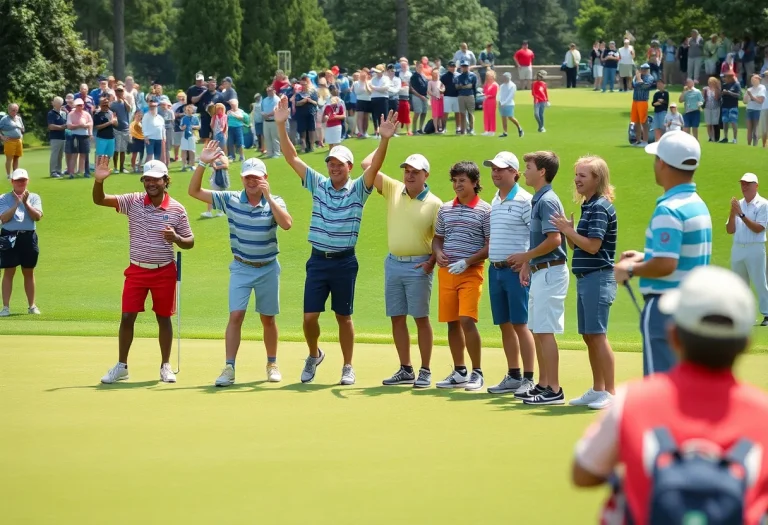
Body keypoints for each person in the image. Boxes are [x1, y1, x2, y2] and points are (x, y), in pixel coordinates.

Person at [572, 265, 768, 525]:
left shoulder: (633, 400)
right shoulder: (762, 412)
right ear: (746, 344)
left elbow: (583, 474)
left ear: (673, 336)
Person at [275, 96, 393, 386]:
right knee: (309, 318)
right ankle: (314, 354)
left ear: (350, 166)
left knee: (344, 317)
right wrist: (281, 124)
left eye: (339, 164)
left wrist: (384, 140)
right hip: (318, 260)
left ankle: (348, 366)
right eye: (330, 163)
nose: (333, 167)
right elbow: (292, 158)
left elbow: (375, 166)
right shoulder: (318, 183)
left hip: (344, 262)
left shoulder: (358, 189)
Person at [188, 144, 293, 386]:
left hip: (268, 267)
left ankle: (272, 363)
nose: (251, 181)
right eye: (247, 177)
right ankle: (229, 368)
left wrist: (268, 198)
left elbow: (286, 224)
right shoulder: (230, 199)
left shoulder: (275, 200)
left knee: (268, 319)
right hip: (241, 267)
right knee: (236, 315)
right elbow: (194, 191)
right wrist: (202, 163)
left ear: (265, 178)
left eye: (256, 177)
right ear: (242, 178)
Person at [614, 131, 711, 376]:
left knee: (661, 385)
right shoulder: (697, 204)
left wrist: (630, 269)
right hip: (692, 305)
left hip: (665, 307)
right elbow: (678, 256)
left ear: (664, 164)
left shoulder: (669, 210)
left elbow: (667, 264)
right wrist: (644, 256)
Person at [93, 157, 194, 384]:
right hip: (137, 270)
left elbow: (190, 241)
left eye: (156, 179)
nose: (151, 183)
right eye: (147, 179)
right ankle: (121, 366)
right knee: (127, 316)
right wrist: (99, 182)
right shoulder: (133, 201)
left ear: (165, 181)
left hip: (164, 271)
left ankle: (165, 366)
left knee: (163, 318)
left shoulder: (177, 209)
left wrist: (176, 238)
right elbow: (100, 200)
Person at [361, 152, 442, 388]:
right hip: (393, 263)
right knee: (396, 318)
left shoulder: (435, 203)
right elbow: (367, 165)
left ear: (425, 175)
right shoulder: (394, 188)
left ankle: (425, 369)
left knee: (420, 318)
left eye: (415, 172)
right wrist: (385, 140)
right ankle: (406, 368)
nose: (409, 175)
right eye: (406, 171)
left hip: (419, 265)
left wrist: (431, 263)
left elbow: (440, 238)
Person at [551, 156, 617, 410]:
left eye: (583, 175)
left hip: (598, 277)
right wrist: (570, 231)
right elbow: (579, 244)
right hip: (587, 277)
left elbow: (593, 246)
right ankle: (598, 388)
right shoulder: (589, 206)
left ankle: (609, 391)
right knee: (589, 335)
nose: (577, 180)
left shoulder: (599, 207)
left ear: (597, 180)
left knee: (597, 335)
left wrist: (568, 231)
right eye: (576, 174)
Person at [507, 151, 569, 405]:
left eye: (529, 166)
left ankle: (554, 389)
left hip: (551, 270)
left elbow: (555, 239)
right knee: (537, 329)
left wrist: (525, 256)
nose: (525, 171)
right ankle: (544, 384)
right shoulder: (539, 199)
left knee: (545, 331)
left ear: (542, 171)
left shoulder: (547, 201)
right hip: (541, 269)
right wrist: (529, 263)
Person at [432, 161, 491, 390]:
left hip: (471, 272)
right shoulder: (445, 208)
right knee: (452, 323)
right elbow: (438, 238)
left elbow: (490, 245)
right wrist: (437, 253)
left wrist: (467, 261)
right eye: (455, 180)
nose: (457, 185)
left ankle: (477, 372)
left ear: (475, 183)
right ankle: (460, 371)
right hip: (446, 272)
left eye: (462, 181)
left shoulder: (485, 210)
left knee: (467, 319)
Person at [483, 152, 536, 396]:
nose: (495, 172)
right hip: (496, 270)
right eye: (493, 168)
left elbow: (537, 236)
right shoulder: (495, 199)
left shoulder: (526, 200)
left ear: (515, 172)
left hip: (517, 272)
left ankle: (529, 377)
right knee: (504, 324)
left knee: (520, 324)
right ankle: (513, 375)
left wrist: (527, 261)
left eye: (501, 169)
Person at [0, 169, 43, 317]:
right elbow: (4, 218)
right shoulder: (4, 198)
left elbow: (37, 217)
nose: (21, 183)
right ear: (12, 182)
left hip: (28, 237)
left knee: (28, 271)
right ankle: (5, 307)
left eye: (23, 180)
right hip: (9, 236)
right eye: (18, 180)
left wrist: (26, 204)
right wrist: (17, 203)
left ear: (27, 181)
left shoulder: (35, 197)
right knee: (9, 271)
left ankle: (31, 306)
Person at [727, 173, 768, 326]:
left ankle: (767, 313)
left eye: (748, 184)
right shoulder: (738, 204)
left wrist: (741, 215)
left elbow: (759, 228)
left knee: (760, 281)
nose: (744, 186)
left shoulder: (763, 204)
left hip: (755, 248)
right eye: (742, 183)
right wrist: (732, 214)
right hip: (738, 247)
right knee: (739, 283)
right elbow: (730, 230)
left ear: (756, 186)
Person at [66, 98, 93, 178]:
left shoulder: (86, 114)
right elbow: (69, 126)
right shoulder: (71, 114)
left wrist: (90, 133)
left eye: (81, 105)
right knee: (74, 154)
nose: (79, 107)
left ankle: (86, 172)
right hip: (75, 135)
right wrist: (78, 125)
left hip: (85, 136)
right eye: (78, 105)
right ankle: (71, 173)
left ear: (83, 105)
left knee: (85, 154)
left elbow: (90, 123)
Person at [630, 64, 654, 146]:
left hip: (643, 101)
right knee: (636, 121)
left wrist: (639, 80)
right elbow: (633, 85)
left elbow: (645, 86)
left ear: (648, 69)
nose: (643, 71)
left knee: (644, 122)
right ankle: (638, 140)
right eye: (642, 69)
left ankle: (645, 141)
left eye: (645, 69)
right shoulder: (636, 77)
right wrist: (638, 81)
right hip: (635, 100)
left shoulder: (650, 77)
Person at [110, 85, 132, 174]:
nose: (119, 92)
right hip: (116, 129)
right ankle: (115, 167)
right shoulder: (113, 104)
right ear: (115, 92)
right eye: (118, 91)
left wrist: (124, 99)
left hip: (125, 128)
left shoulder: (125, 102)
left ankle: (122, 168)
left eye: (121, 91)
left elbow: (129, 109)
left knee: (123, 150)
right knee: (116, 149)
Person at [0, 104, 25, 178]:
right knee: (9, 158)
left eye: (16, 110)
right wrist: (2, 137)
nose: (14, 112)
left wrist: (21, 131)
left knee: (16, 157)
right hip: (10, 141)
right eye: (13, 110)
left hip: (18, 140)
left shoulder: (19, 118)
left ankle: (15, 174)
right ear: (9, 110)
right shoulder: (4, 119)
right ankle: (8, 175)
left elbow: (22, 128)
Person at [47, 97, 68, 178]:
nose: (59, 105)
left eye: (61, 103)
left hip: (63, 136)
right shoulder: (51, 113)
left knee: (60, 155)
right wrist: (61, 127)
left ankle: (58, 171)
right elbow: (51, 126)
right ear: (54, 104)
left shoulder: (63, 113)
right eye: (58, 103)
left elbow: (66, 122)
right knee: (55, 155)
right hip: (55, 137)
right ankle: (53, 171)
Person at [455, 60, 477, 135]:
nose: (465, 68)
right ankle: (463, 130)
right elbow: (457, 87)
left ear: (468, 67)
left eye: (466, 66)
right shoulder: (458, 76)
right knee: (462, 114)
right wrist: (464, 86)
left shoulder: (473, 75)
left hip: (470, 95)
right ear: (461, 67)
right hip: (461, 96)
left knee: (471, 113)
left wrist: (462, 86)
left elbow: (473, 87)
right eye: (463, 66)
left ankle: (471, 129)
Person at [498, 72, 523, 138]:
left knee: (510, 117)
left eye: (506, 77)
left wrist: (504, 102)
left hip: (509, 104)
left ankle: (519, 128)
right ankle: (505, 132)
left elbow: (511, 96)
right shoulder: (502, 86)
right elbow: (500, 94)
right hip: (502, 104)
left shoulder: (512, 85)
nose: (504, 79)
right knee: (503, 118)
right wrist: (500, 101)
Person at [93, 96, 117, 163]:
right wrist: (109, 122)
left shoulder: (111, 113)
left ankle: (105, 169)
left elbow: (116, 124)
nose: (105, 104)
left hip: (111, 137)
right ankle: (98, 169)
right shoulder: (97, 114)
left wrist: (115, 121)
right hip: (101, 138)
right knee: (99, 155)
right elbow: (97, 127)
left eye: (107, 103)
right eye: (103, 103)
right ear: (100, 104)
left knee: (108, 155)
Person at [720, 70, 741, 143]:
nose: (725, 78)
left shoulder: (736, 85)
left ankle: (735, 139)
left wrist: (729, 92)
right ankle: (725, 137)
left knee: (733, 122)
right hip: (725, 105)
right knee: (725, 122)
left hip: (733, 106)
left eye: (726, 77)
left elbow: (738, 95)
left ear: (731, 77)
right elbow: (721, 94)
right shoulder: (724, 85)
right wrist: (722, 93)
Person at [744, 74, 766, 147]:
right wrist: (749, 96)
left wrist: (751, 96)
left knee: (756, 128)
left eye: (754, 79)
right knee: (749, 129)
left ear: (758, 80)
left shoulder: (762, 88)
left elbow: (760, 101)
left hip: (758, 110)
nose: (753, 81)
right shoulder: (750, 89)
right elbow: (745, 101)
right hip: (749, 109)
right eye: (752, 80)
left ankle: (755, 145)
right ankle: (749, 145)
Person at [179, 104, 200, 171]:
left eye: (190, 110)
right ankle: (184, 165)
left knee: (192, 151)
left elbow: (199, 126)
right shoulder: (183, 118)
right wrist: (183, 128)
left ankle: (192, 165)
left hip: (192, 135)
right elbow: (181, 127)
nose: (188, 111)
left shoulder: (195, 118)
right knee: (184, 150)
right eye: (187, 110)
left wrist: (193, 127)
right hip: (184, 136)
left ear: (192, 111)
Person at [440, 62, 460, 133]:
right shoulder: (444, 76)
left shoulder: (459, 75)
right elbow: (441, 86)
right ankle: (443, 128)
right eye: (451, 67)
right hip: (447, 96)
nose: (452, 68)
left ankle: (458, 128)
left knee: (457, 112)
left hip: (457, 96)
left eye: (453, 67)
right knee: (446, 113)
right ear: (448, 67)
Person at [702, 76, 722, 142]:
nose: (710, 83)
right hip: (707, 107)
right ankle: (710, 137)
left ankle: (715, 137)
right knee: (708, 123)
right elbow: (703, 98)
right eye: (709, 82)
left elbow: (716, 98)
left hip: (715, 107)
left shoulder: (717, 89)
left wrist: (716, 89)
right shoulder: (705, 89)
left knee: (714, 123)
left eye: (712, 82)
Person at [427, 69, 445, 134]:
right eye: (435, 73)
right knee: (435, 115)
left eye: (437, 73)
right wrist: (434, 95)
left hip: (441, 99)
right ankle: (436, 129)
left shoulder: (440, 82)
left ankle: (440, 128)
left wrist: (442, 90)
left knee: (440, 115)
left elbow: (443, 89)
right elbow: (429, 91)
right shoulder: (430, 82)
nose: (436, 75)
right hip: (434, 100)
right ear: (432, 74)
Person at [482, 70, 498, 136]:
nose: (488, 78)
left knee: (491, 116)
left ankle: (492, 130)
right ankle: (486, 130)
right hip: (486, 101)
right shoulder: (486, 84)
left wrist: (488, 96)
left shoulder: (495, 85)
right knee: (486, 116)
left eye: (490, 76)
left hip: (492, 101)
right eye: (487, 76)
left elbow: (495, 94)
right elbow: (484, 92)